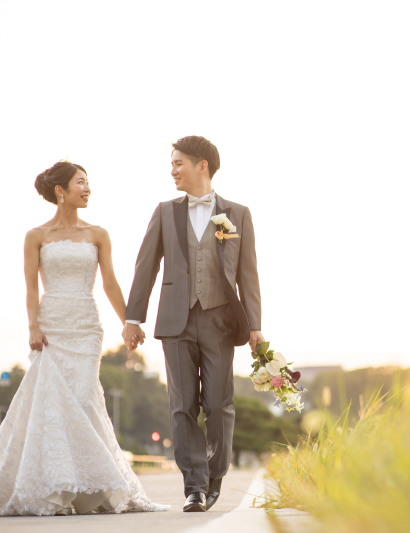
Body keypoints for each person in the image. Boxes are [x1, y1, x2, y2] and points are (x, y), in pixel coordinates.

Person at [0, 161, 169, 517]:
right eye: (81, 183)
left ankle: (93, 490)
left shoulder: (98, 233)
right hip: (51, 326)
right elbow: (30, 287)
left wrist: (129, 322)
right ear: (61, 191)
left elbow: (110, 284)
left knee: (83, 400)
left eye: (89, 183)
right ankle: (59, 487)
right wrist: (33, 327)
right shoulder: (36, 236)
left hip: (87, 328)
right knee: (53, 404)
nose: (87, 189)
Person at [123, 136, 263, 512]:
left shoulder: (238, 214)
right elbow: (146, 265)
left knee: (219, 405)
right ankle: (195, 487)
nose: (172, 170)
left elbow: (248, 274)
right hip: (175, 320)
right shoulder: (165, 211)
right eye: (171, 164)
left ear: (202, 165)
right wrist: (132, 317)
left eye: (178, 163)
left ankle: (215, 473)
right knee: (182, 406)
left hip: (220, 319)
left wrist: (254, 326)